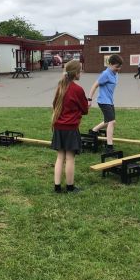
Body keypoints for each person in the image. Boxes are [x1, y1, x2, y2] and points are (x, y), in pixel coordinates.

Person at [51, 60, 89, 193]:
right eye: (80, 71)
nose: (81, 73)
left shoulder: (60, 86)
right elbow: (84, 110)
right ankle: (70, 187)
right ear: (76, 73)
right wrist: (87, 104)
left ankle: (57, 187)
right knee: (70, 158)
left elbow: (55, 104)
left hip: (58, 127)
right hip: (71, 129)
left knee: (60, 157)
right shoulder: (77, 89)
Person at [88, 54, 123, 153]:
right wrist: (89, 99)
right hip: (103, 101)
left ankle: (94, 131)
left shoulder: (115, 74)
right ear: (110, 64)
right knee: (112, 122)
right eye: (117, 67)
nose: (118, 69)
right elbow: (94, 85)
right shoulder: (106, 74)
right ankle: (109, 147)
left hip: (109, 101)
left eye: (120, 67)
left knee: (108, 121)